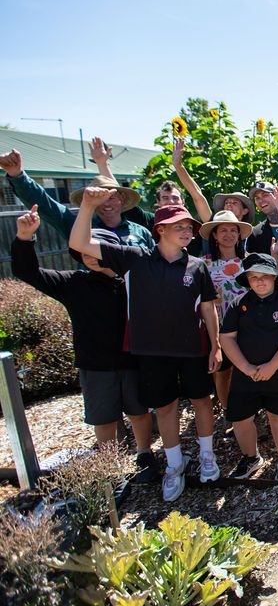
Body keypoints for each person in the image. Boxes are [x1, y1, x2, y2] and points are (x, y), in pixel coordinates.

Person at [69, 190, 222, 502]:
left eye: (189, 227)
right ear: (160, 230)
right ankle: (175, 465)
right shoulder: (133, 259)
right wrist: (87, 206)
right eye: (180, 226)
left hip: (193, 348)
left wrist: (215, 345)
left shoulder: (198, 266)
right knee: (165, 408)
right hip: (152, 352)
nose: (188, 231)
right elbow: (80, 243)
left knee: (202, 401)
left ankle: (208, 456)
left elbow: (208, 308)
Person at [12, 208, 158, 483]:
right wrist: (24, 237)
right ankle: (109, 467)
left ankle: (144, 453)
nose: (91, 257)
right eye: (86, 252)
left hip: (132, 359)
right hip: (95, 364)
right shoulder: (73, 283)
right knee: (103, 418)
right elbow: (27, 271)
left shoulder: (132, 282)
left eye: (98, 251)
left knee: (139, 411)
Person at [219, 253, 278, 481]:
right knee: (240, 418)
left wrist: (272, 366)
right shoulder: (239, 304)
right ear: (247, 279)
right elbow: (227, 337)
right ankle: (250, 457)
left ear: (274, 277)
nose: (259, 281)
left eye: (265, 276)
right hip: (245, 375)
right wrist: (245, 367)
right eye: (254, 277)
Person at [0, 149, 154, 249]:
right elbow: (46, 204)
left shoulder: (141, 231)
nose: (106, 203)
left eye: (111, 197)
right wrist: (17, 175)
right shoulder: (79, 227)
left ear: (122, 199)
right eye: (101, 197)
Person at [94, 137, 213, 258]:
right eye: (165, 198)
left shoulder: (192, 223)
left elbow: (198, 196)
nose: (171, 202)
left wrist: (178, 166)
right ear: (158, 202)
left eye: (175, 198)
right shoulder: (150, 221)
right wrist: (102, 164)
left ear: (183, 201)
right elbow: (119, 196)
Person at [199, 210, 252, 410]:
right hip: (218, 327)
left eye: (233, 230)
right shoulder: (204, 264)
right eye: (223, 230)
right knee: (222, 372)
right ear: (214, 235)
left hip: (247, 326)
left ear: (239, 235)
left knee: (247, 369)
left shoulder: (248, 261)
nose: (228, 234)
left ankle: (249, 410)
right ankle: (228, 410)